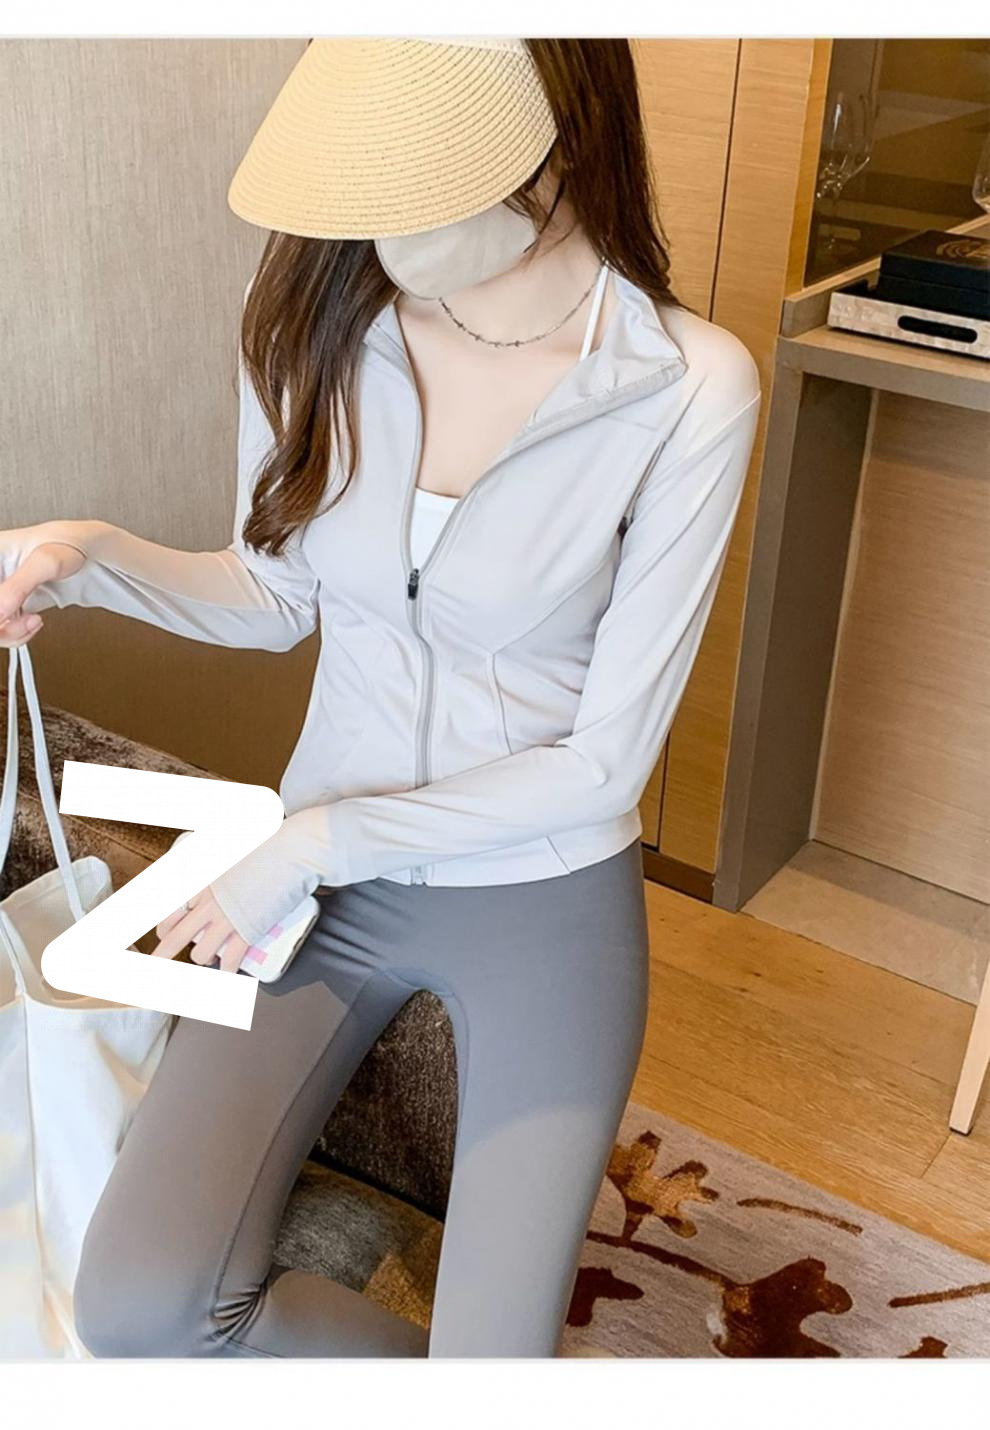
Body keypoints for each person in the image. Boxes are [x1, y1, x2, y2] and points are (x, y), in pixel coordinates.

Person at [0, 38, 761, 1357]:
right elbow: (275, 593)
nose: (373, 230)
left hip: (536, 893)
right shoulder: (313, 315)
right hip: (315, 882)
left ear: (560, 136)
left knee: (488, 1367)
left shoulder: (686, 388)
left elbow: (599, 766)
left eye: (416, 184)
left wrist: (309, 843)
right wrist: (92, 556)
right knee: (135, 1311)